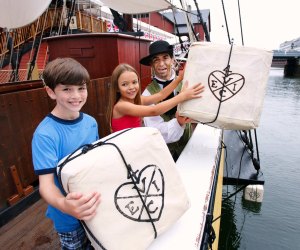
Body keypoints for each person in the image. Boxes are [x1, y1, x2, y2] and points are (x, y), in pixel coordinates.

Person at [32, 58, 101, 250]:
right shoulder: (45, 135)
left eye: (81, 88)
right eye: (67, 89)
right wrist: (64, 204)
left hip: (94, 204)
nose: (76, 95)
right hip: (67, 215)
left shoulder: (91, 122)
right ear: (51, 92)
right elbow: (45, 186)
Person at [107, 63, 204, 133]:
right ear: (117, 88)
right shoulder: (122, 106)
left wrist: (179, 78)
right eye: (125, 84)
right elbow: (154, 111)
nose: (131, 87)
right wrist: (182, 96)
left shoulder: (136, 100)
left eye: (134, 82)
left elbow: (160, 95)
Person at [140, 40, 193, 160]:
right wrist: (179, 122)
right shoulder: (147, 95)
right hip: (163, 156)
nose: (161, 64)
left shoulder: (187, 83)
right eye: (156, 60)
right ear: (152, 65)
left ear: (173, 60)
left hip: (189, 148)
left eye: (165, 58)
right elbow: (157, 132)